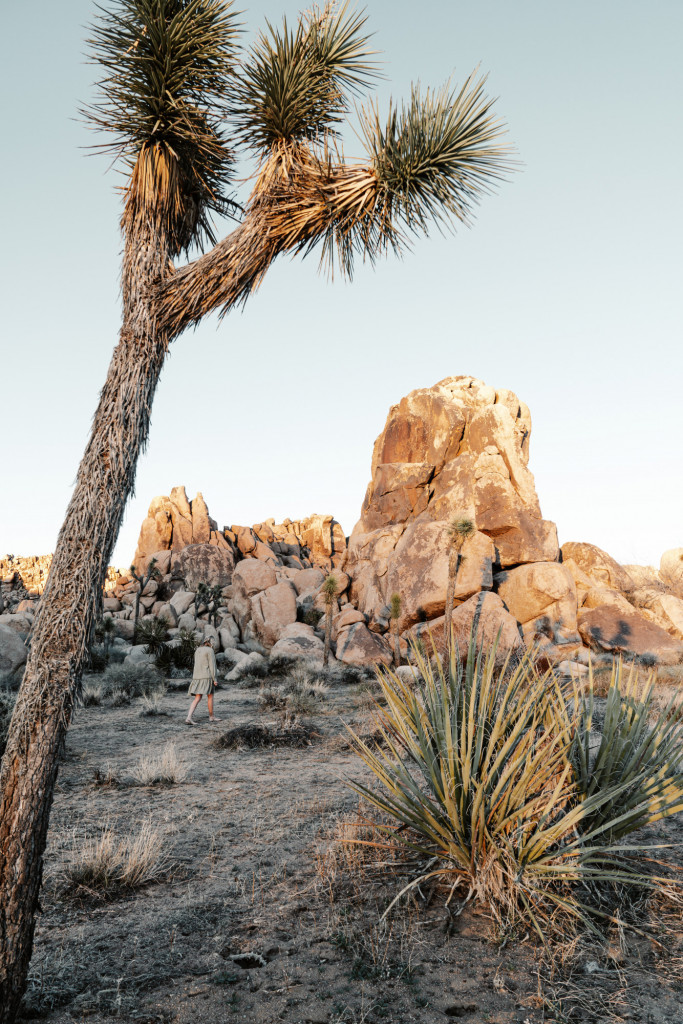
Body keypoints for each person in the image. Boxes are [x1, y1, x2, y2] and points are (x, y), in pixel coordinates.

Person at [186, 638, 218, 725]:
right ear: (210, 643)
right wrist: (215, 679)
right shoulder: (210, 650)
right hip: (207, 677)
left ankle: (188, 717)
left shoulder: (197, 650)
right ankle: (211, 717)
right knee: (210, 696)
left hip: (197, 677)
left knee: (197, 698)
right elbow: (212, 665)